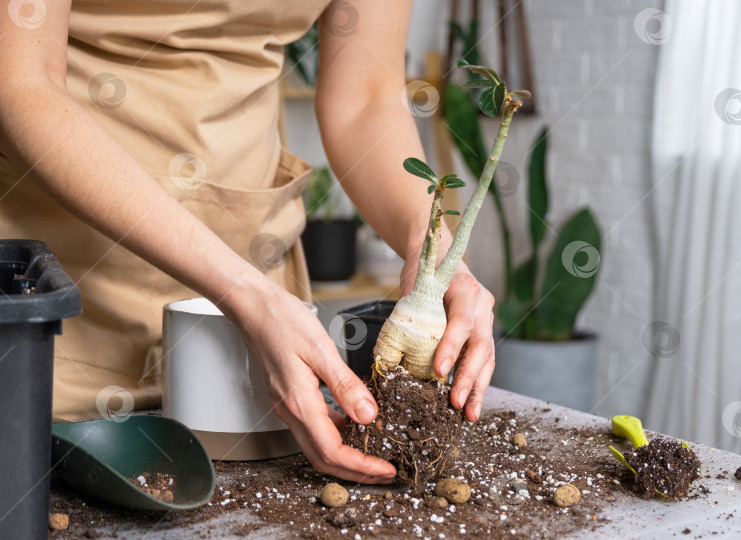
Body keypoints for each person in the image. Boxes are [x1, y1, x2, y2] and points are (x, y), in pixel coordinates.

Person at [0, 0, 496, 483]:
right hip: (62, 308)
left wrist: (427, 252)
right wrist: (241, 291)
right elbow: (22, 83)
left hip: (256, 327)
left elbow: (366, 96)